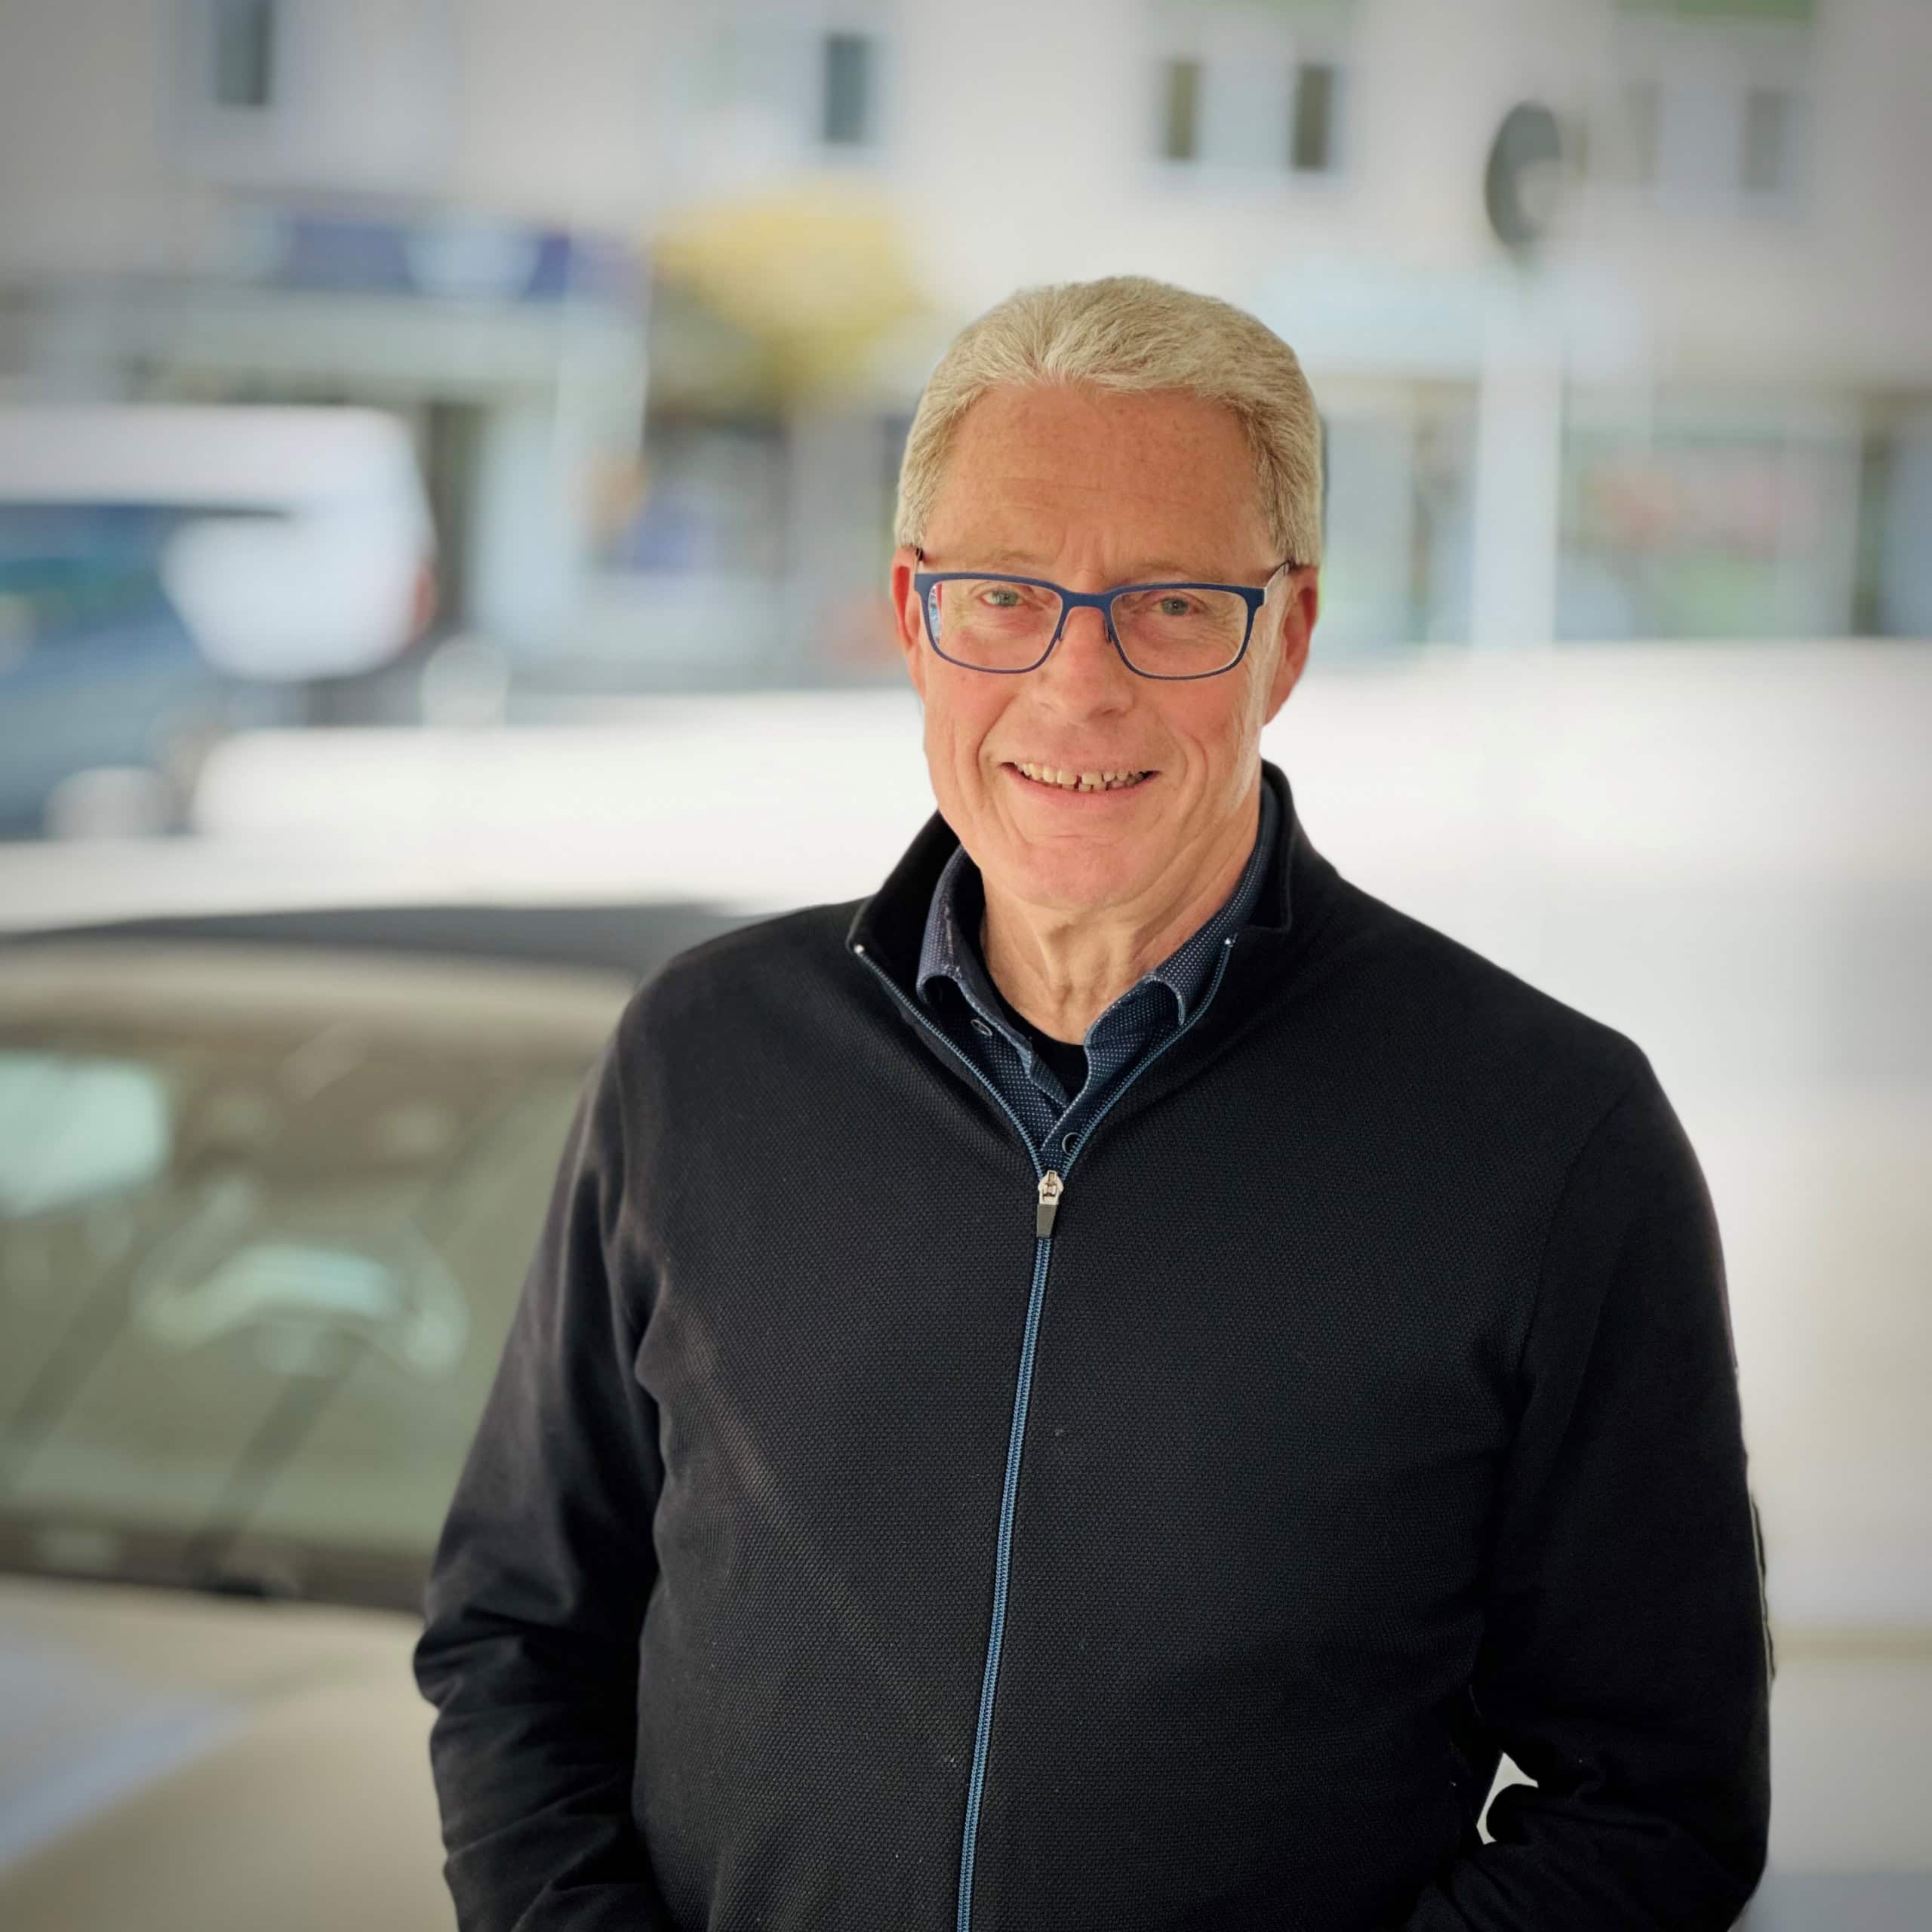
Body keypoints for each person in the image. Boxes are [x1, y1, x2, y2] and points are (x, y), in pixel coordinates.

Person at [414, 276, 1771, 1931]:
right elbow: (516, 1634)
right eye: (1004, 597)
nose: (1076, 686)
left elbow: (1654, 1805)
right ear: (913, 613)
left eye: (1172, 605)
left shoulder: (1550, 1139)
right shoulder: (698, 1059)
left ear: (1287, 635)